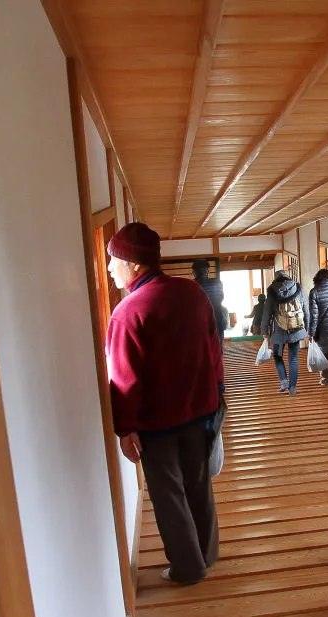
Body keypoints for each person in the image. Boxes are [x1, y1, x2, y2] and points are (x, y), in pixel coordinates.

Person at [106, 223, 224, 584]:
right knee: (198, 482)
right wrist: (218, 396)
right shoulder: (191, 293)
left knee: (169, 494)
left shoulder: (128, 313)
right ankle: (207, 553)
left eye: (113, 261)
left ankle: (188, 568)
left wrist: (125, 429)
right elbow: (214, 350)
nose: (110, 268)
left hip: (159, 423)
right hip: (201, 412)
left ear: (133, 264)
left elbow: (125, 381)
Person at [259, 270, 310, 396]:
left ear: (276, 278)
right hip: (296, 329)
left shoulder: (272, 290)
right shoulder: (297, 287)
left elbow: (267, 312)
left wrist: (264, 330)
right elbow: (305, 309)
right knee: (293, 359)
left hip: (278, 329)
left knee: (277, 356)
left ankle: (284, 382)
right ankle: (292, 388)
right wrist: (308, 328)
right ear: (288, 276)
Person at [193, 258, 228, 346]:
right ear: (208, 271)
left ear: (194, 272)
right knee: (217, 349)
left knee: (200, 350)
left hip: (197, 323)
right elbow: (220, 298)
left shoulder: (190, 285)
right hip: (216, 319)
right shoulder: (217, 282)